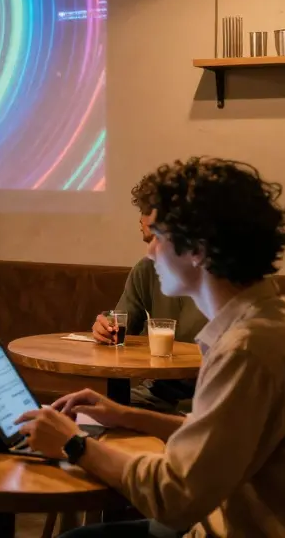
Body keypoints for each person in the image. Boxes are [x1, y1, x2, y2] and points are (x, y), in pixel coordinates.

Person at [17, 158, 285, 538]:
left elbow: (173, 499)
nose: (149, 252)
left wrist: (74, 445)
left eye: (157, 236)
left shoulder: (247, 350)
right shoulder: (283, 319)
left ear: (198, 249)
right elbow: (222, 440)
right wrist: (127, 415)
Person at [89, 177, 207, 412]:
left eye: (159, 238)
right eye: (147, 239)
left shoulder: (233, 294)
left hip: (205, 403)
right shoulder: (147, 270)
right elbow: (119, 328)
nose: (150, 251)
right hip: (154, 396)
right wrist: (105, 329)